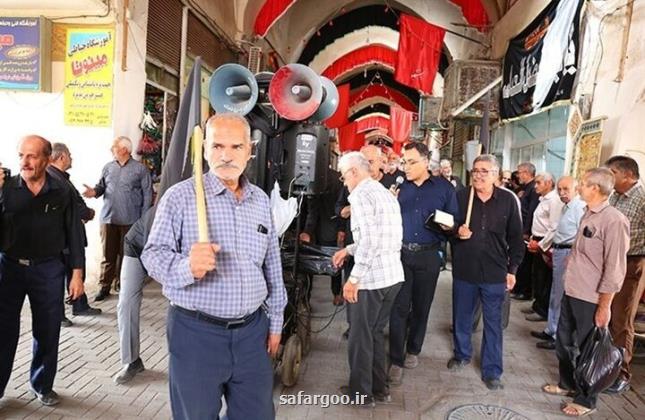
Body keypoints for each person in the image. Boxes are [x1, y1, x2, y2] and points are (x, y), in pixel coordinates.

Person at [141, 113, 287, 420]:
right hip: (196, 333)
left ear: (251, 150)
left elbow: (272, 263)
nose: (226, 155)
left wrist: (275, 322)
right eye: (218, 146)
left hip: (252, 333)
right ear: (204, 148)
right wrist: (186, 267)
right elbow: (152, 255)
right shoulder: (180, 197)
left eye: (236, 147)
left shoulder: (260, 200)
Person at [0, 135, 84, 406]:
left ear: (47, 160)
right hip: (9, 269)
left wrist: (77, 273)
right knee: (3, 331)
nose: (25, 162)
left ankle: (43, 385)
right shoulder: (5, 189)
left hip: (48, 269)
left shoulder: (61, 191)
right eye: (21, 155)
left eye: (32, 156)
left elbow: (73, 232)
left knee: (47, 330)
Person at [543, 168, 629, 417]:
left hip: (591, 297)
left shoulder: (614, 220)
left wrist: (605, 306)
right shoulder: (587, 213)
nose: (579, 186)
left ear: (596, 188)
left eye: (583, 183)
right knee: (564, 342)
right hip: (573, 289)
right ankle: (567, 383)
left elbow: (614, 268)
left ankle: (586, 399)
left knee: (587, 349)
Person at [331, 152, 404, 406]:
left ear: (353, 172)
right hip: (392, 276)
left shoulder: (360, 196)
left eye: (343, 175)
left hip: (372, 280)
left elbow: (370, 242)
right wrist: (347, 250)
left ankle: (361, 395)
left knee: (360, 337)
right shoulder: (383, 192)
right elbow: (384, 236)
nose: (343, 181)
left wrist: (353, 279)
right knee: (373, 334)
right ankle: (378, 389)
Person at [447, 154, 524, 391]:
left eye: (484, 171)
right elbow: (445, 226)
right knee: (462, 315)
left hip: (495, 271)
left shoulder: (508, 200)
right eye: (475, 170)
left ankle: (492, 371)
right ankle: (462, 354)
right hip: (465, 268)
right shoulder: (460, 197)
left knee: (494, 323)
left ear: (496, 175)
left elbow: (515, 237)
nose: (478, 175)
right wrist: (456, 231)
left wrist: (512, 270)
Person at [388, 142, 458, 385]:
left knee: (421, 306)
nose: (406, 167)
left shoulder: (444, 188)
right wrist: (389, 203)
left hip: (429, 255)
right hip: (400, 255)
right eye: (404, 161)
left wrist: (451, 227)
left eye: (412, 162)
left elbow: (454, 222)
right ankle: (395, 359)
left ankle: (413, 349)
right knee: (399, 307)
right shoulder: (397, 187)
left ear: (426, 162)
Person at [83, 136, 153, 301]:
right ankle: (104, 287)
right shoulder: (108, 167)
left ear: (124, 150)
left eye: (114, 147)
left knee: (126, 255)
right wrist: (93, 192)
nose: (111, 150)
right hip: (109, 218)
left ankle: (123, 285)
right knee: (108, 254)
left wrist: (143, 219)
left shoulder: (140, 169)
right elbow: (101, 187)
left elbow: (147, 194)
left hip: (131, 219)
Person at [47, 143, 102, 326]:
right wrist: (88, 213)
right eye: (69, 155)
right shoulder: (55, 180)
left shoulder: (62, 178)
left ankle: (79, 304)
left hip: (71, 236)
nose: (71, 158)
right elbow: (75, 208)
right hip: (61, 239)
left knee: (76, 272)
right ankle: (58, 315)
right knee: (60, 276)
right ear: (62, 157)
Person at [605, 156, 645, 394]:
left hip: (632, 263)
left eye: (613, 172)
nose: (609, 177)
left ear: (628, 175)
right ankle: (606, 365)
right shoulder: (615, 196)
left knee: (622, 319)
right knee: (607, 315)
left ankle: (622, 372)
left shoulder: (641, 199)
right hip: (612, 261)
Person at [532, 176, 585, 350]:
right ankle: (551, 329)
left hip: (568, 252)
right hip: (559, 250)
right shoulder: (565, 207)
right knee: (555, 294)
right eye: (560, 189)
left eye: (566, 189)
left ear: (576, 189)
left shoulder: (578, 208)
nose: (562, 193)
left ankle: (556, 336)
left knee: (560, 296)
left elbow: (580, 235)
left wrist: (572, 255)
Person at [114, 206, 156, 384]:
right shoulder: (175, 200)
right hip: (137, 246)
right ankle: (131, 361)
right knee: (126, 303)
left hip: (165, 253)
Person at [301, 170, 344, 305]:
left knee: (334, 261)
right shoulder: (308, 174)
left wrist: (341, 229)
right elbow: (310, 208)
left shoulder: (336, 178)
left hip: (329, 224)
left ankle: (336, 292)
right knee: (308, 263)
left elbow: (341, 205)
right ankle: (306, 298)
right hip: (314, 225)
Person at [525, 173, 564, 321]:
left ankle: (542, 310)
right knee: (537, 276)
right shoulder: (543, 199)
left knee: (544, 278)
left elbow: (554, 227)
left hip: (545, 243)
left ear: (548, 183)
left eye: (539, 183)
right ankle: (537, 304)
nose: (535, 186)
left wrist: (541, 245)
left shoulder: (554, 201)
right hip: (537, 239)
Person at [510, 162, 540, 300]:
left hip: (526, 230)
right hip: (520, 227)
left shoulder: (533, 189)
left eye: (520, 172)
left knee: (526, 263)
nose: (518, 175)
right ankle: (519, 288)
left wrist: (526, 231)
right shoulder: (524, 188)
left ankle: (525, 291)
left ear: (527, 173)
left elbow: (531, 211)